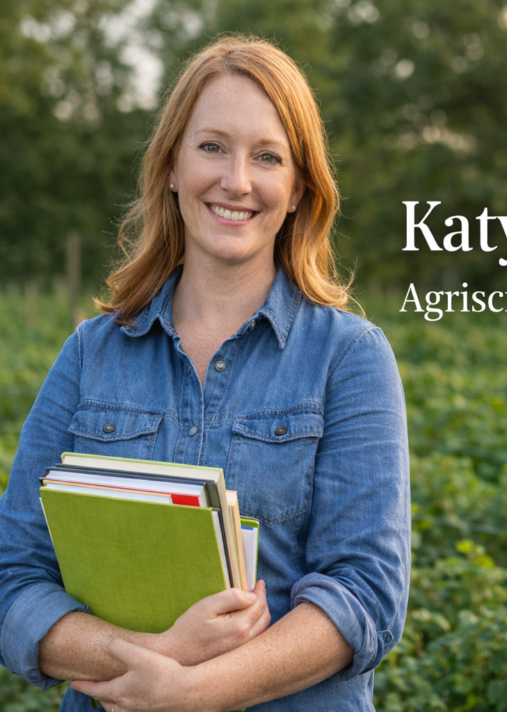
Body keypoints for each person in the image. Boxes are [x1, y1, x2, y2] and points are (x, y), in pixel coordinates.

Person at [0, 35, 410, 711]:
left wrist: (194, 691)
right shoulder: (90, 354)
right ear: (170, 165)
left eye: (267, 157)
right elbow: (14, 575)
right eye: (212, 146)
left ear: (299, 188)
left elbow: (364, 592)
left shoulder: (350, 358)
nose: (237, 180)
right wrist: (152, 659)